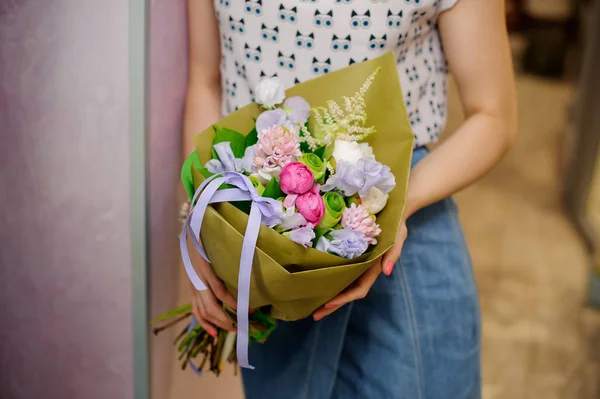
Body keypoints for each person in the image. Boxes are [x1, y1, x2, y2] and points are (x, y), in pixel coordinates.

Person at [182, 1, 517, 398]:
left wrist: (393, 211)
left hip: (408, 210)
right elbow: (205, 82)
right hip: (264, 223)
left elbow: (493, 115)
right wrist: (200, 218)